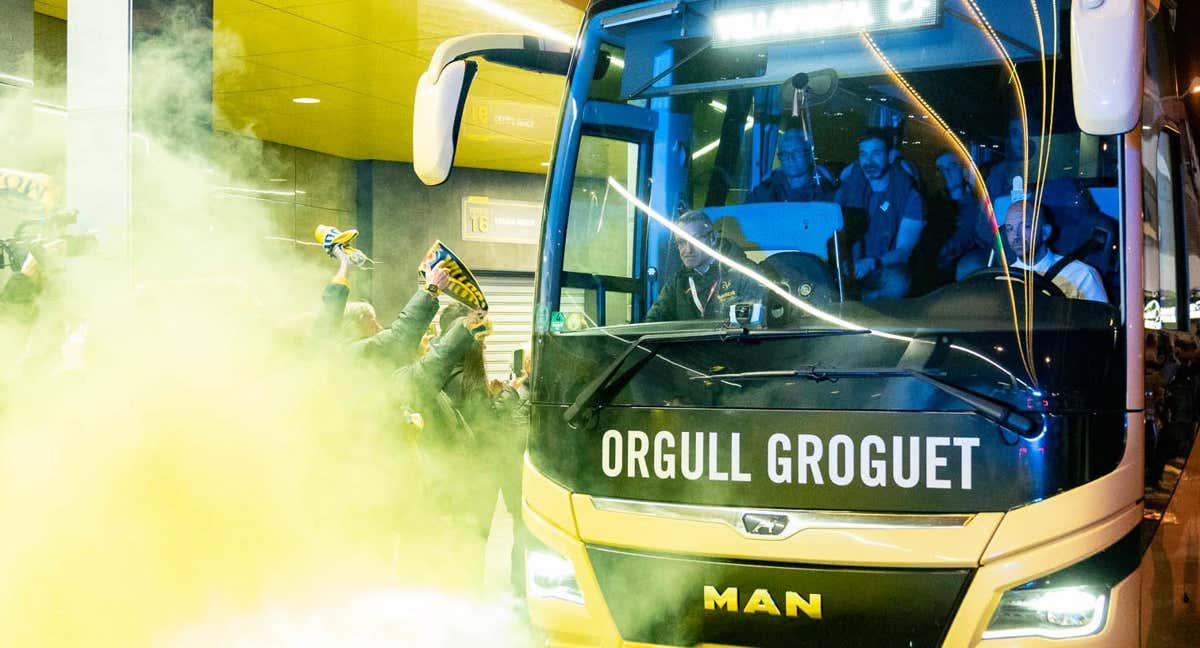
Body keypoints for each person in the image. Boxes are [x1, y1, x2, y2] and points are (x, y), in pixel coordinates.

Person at [835, 129, 925, 300]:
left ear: (890, 156)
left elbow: (903, 250)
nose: (868, 162)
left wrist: (873, 262)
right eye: (863, 155)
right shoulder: (846, 192)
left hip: (882, 265)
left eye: (876, 153)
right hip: (849, 266)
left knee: (897, 282)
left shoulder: (910, 196)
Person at [645, 210, 764, 322]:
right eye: (681, 242)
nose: (688, 250)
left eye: (695, 241)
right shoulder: (677, 282)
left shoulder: (747, 274)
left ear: (712, 238)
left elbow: (754, 329)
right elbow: (652, 323)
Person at [1005, 200, 1108, 302]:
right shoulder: (1004, 279)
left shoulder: (1082, 276)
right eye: (1010, 229)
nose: (1016, 236)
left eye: (1024, 227)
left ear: (1045, 232)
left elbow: (1101, 318)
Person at [934, 151, 992, 280]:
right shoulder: (929, 204)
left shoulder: (977, 206)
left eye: (952, 165)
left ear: (964, 172)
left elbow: (967, 237)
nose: (946, 172)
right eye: (940, 168)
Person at [745, 128, 836, 203]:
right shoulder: (768, 187)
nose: (791, 158)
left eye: (797, 152)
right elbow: (744, 214)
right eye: (784, 154)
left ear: (810, 155)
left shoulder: (825, 189)